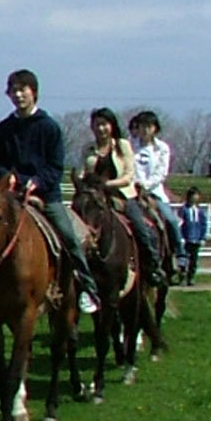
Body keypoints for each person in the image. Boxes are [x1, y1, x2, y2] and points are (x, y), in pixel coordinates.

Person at [0, 70, 100, 314]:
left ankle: (86, 288)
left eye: (22, 89)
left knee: (69, 236)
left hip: (45, 195)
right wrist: (7, 178)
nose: (18, 94)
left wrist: (34, 181)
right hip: (7, 196)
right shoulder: (2, 131)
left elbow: (55, 167)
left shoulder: (50, 128)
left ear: (34, 92)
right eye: (13, 90)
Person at [84, 107, 166, 287]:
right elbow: (87, 174)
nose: (101, 129)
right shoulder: (88, 149)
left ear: (112, 126)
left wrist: (108, 184)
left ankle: (152, 265)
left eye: (104, 124)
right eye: (97, 125)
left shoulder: (123, 145)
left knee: (140, 226)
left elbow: (129, 175)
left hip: (122, 195)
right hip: (97, 197)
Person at [129, 110, 183, 281]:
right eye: (141, 126)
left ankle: (179, 256)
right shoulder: (130, 145)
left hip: (154, 192)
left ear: (155, 129)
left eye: (148, 126)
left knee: (171, 220)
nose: (144, 130)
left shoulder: (162, 148)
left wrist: (145, 185)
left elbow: (161, 172)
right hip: (131, 191)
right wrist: (135, 184)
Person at [178, 186, 210, 285]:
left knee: (194, 261)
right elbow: (179, 223)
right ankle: (182, 277)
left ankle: (191, 278)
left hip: (196, 239)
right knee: (184, 259)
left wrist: (203, 237)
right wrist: (181, 237)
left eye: (197, 195)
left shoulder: (199, 211)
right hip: (186, 238)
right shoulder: (183, 210)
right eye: (193, 195)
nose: (195, 197)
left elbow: (203, 224)